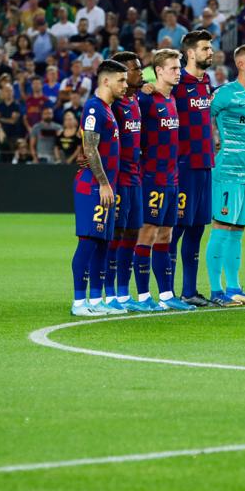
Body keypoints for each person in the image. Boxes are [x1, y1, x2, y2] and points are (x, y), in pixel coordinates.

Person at [206, 45, 245, 307]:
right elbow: (200, 117)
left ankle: (234, 288)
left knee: (238, 230)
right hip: (227, 172)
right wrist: (211, 143)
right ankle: (216, 291)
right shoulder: (225, 94)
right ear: (240, 64)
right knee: (221, 227)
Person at [138, 49, 194, 311]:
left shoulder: (172, 100)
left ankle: (167, 294)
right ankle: (141, 296)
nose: (178, 72)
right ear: (158, 71)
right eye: (173, 68)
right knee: (147, 233)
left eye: (179, 67)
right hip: (151, 178)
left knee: (166, 236)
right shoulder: (146, 99)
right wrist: (141, 86)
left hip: (172, 179)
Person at [70, 60, 126, 316]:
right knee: (89, 242)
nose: (125, 85)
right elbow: (90, 148)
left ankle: (95, 299)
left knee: (103, 243)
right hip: (92, 187)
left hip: (106, 187)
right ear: (106, 81)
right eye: (121, 80)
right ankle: (79, 302)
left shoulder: (108, 109)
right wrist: (103, 183)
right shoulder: (94, 109)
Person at [168, 31, 216, 307]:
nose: (210, 52)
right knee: (175, 230)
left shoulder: (205, 82)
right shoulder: (177, 82)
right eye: (205, 48)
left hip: (204, 165)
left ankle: (189, 291)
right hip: (183, 167)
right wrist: (148, 88)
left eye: (210, 48)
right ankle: (167, 292)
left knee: (197, 229)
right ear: (190, 53)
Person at [104, 51, 153, 312]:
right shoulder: (112, 105)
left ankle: (123, 293)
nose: (140, 72)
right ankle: (108, 291)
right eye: (135, 69)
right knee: (116, 235)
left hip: (136, 177)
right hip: (118, 178)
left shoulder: (135, 102)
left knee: (133, 233)